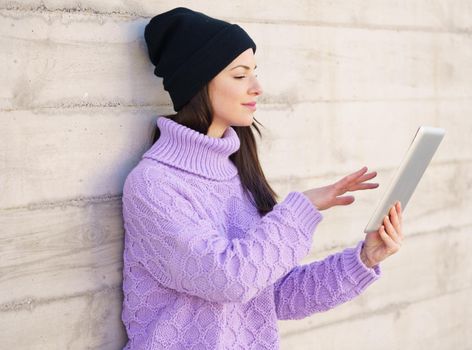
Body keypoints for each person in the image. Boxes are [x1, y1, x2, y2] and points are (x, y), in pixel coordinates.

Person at [120, 7, 404, 350]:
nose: (257, 88)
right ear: (198, 82)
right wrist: (302, 208)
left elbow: (276, 294)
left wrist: (365, 258)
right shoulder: (153, 186)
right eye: (240, 76)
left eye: (255, 73)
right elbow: (229, 278)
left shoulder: (238, 174)